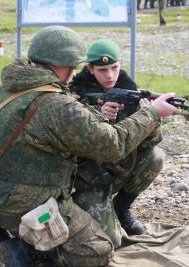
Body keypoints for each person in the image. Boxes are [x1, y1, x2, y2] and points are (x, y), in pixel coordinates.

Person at [0, 26, 177, 267]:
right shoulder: (54, 104)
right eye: (71, 66)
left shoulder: (3, 90)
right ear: (56, 65)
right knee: (100, 250)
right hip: (30, 206)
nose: (73, 73)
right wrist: (151, 113)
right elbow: (112, 145)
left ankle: (99, 213)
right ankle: (24, 249)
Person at [69, 39, 165, 247]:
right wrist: (96, 115)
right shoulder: (74, 97)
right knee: (112, 241)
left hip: (116, 170)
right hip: (87, 180)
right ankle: (78, 207)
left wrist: (149, 117)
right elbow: (74, 142)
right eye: (103, 70)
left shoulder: (129, 92)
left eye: (114, 68)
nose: (110, 75)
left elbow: (152, 142)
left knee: (156, 156)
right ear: (90, 68)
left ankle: (121, 207)